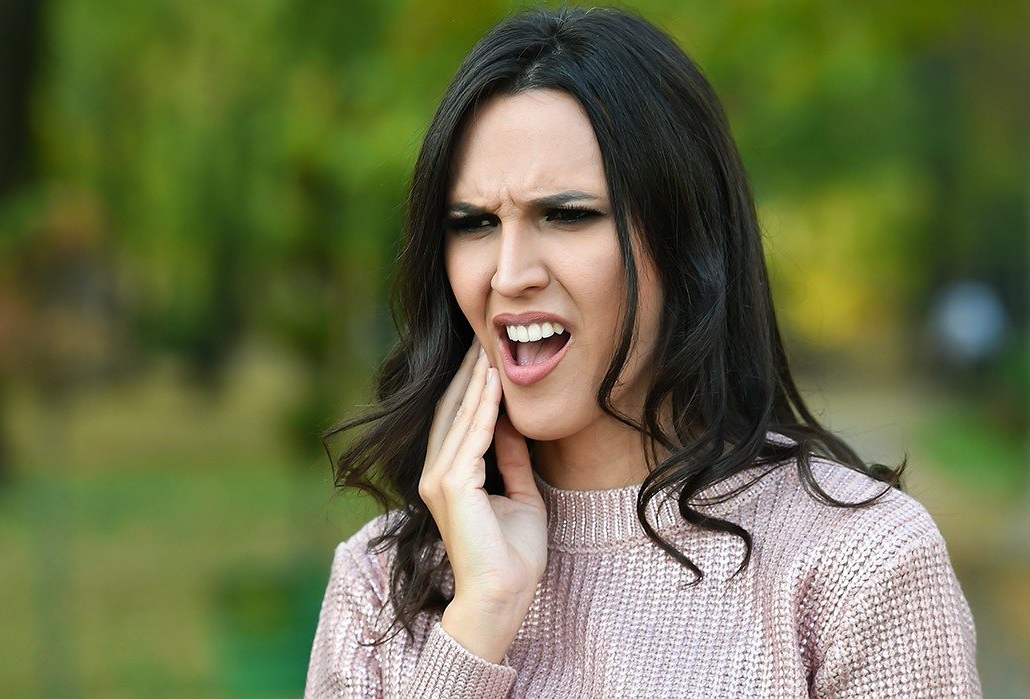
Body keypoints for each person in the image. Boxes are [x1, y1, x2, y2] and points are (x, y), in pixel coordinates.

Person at [305, 5, 980, 698]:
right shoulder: (379, 587)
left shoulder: (857, 562)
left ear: (686, 240)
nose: (508, 274)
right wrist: (481, 618)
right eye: (474, 223)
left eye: (566, 215)